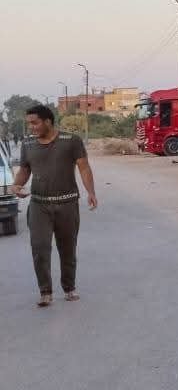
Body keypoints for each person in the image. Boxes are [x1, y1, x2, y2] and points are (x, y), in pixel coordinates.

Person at [12, 104, 98, 308]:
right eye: (29, 124)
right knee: (39, 247)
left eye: (35, 123)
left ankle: (69, 287)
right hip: (39, 205)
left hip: (67, 203)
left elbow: (84, 167)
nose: (31, 127)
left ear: (48, 121)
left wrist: (91, 192)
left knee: (67, 248)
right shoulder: (28, 144)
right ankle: (45, 291)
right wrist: (17, 184)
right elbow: (25, 170)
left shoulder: (71, 141)